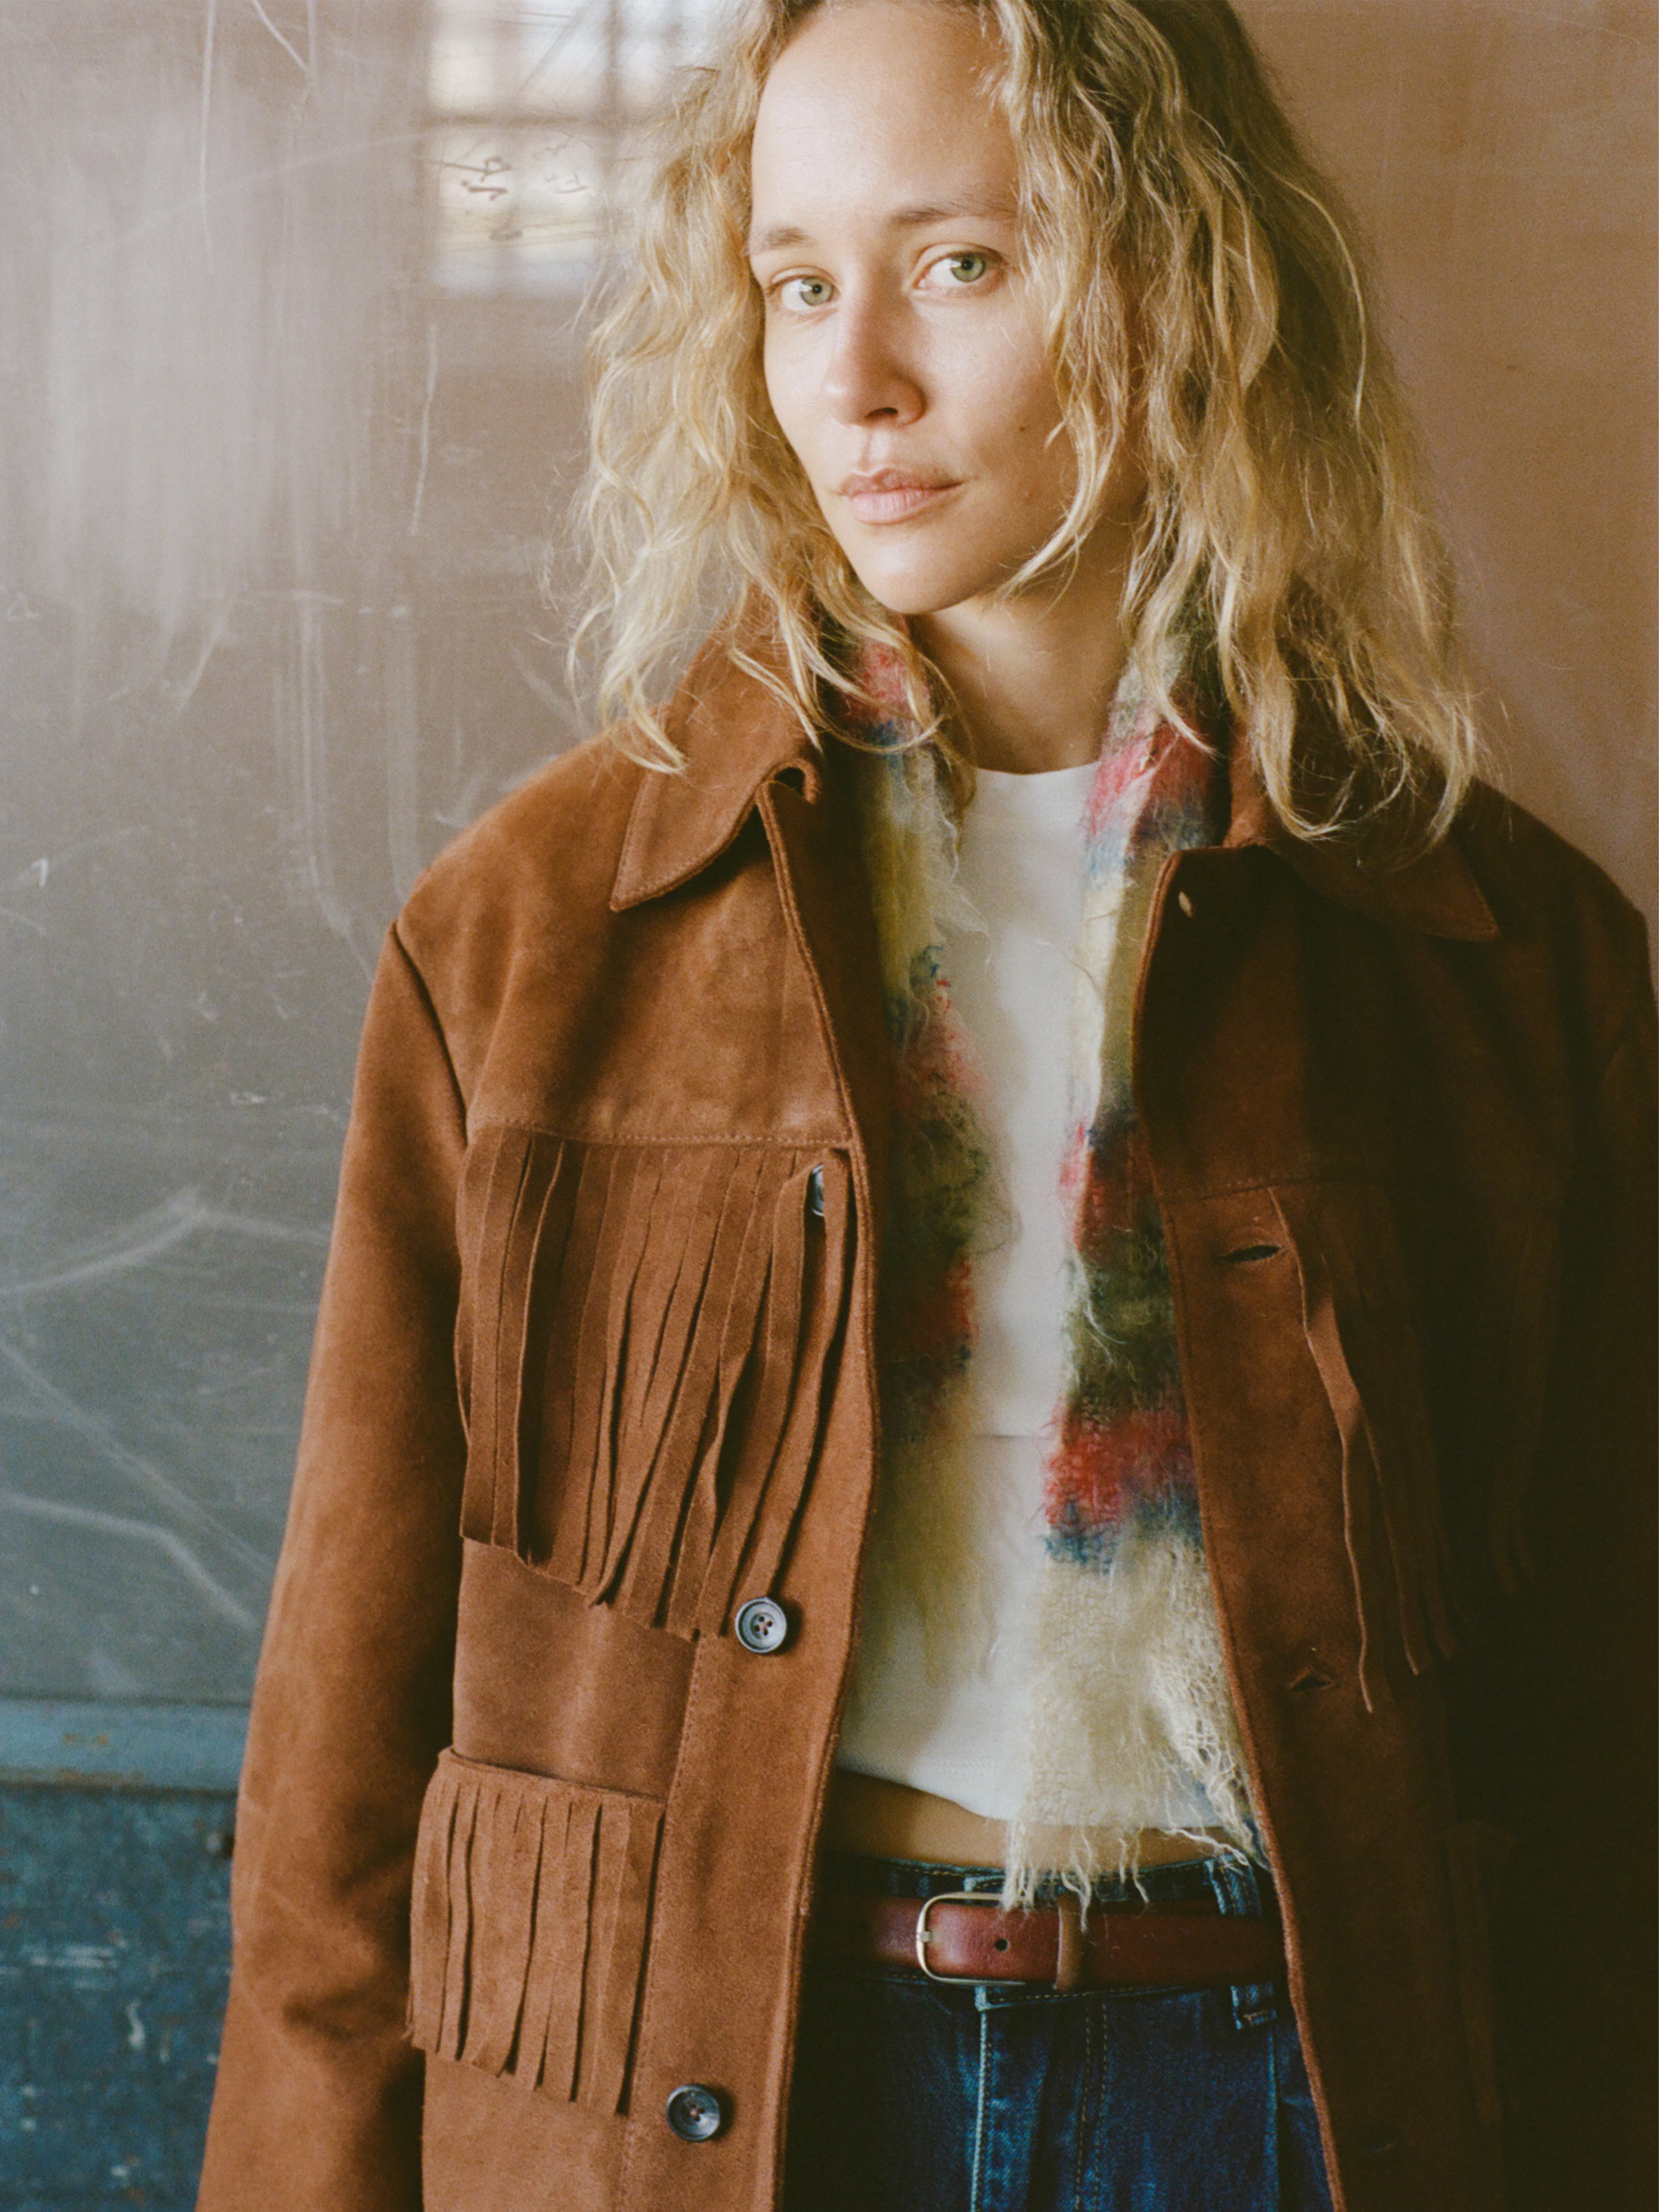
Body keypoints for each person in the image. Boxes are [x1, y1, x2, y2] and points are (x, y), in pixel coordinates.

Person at [196, 0, 1656, 2206]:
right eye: (797, 284)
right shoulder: (537, 938)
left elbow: (1605, 1743)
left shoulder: (1494, 959)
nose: (854, 378)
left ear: (1182, 279)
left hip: (1286, 2101)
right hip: (715, 2101)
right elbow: (341, 1761)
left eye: (961, 263)